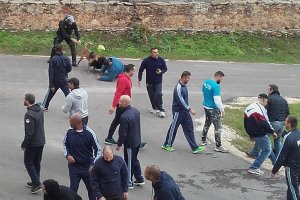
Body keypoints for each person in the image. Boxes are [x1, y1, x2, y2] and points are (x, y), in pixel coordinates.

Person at [104, 64, 147, 149]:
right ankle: (134, 141)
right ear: (130, 70)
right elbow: (118, 92)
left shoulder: (126, 78)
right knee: (130, 121)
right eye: (133, 70)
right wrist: (113, 106)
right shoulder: (123, 79)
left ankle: (109, 138)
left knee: (116, 121)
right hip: (123, 104)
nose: (134, 72)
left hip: (124, 103)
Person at [162, 71, 205, 154]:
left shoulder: (184, 86)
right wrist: (189, 109)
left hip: (184, 112)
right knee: (173, 128)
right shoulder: (178, 87)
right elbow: (180, 100)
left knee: (189, 128)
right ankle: (167, 145)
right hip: (178, 112)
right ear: (184, 77)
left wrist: (187, 110)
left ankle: (195, 147)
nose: (189, 80)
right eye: (188, 78)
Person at [63, 113, 102, 200]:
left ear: (77, 123)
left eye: (71, 122)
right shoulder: (69, 132)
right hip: (74, 167)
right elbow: (65, 145)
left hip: (88, 168)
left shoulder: (90, 133)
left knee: (91, 190)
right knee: (73, 190)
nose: (69, 124)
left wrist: (93, 164)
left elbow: (98, 150)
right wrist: (67, 155)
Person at [116, 95, 145, 189]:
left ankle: (128, 182)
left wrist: (119, 144)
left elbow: (123, 133)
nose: (118, 103)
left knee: (128, 162)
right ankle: (139, 178)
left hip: (130, 143)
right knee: (134, 159)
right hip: (137, 140)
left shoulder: (124, 117)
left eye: (120, 102)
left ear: (124, 103)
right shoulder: (135, 111)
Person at [244, 94, 277, 175]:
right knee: (267, 150)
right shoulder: (260, 109)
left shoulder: (251, 105)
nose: (266, 104)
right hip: (258, 132)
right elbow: (264, 122)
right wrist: (272, 132)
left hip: (251, 130)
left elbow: (245, 119)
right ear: (263, 99)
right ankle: (254, 167)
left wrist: (249, 133)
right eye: (266, 101)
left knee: (267, 146)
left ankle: (276, 164)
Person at [22, 93, 46, 194]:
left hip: (33, 143)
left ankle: (36, 183)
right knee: (36, 162)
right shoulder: (40, 110)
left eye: (24, 99)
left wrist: (24, 144)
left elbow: (29, 132)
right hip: (41, 140)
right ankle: (35, 179)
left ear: (27, 101)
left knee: (28, 162)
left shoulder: (29, 114)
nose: (23, 100)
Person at [272, 116, 300, 200]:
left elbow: (282, 156)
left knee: (293, 188)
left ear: (289, 124)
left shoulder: (288, 137)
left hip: (292, 167)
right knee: (293, 187)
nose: (284, 122)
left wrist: (275, 170)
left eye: (286, 121)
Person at [201, 71, 228, 153]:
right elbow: (217, 100)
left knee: (207, 122)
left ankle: (203, 140)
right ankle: (218, 146)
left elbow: (203, 91)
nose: (221, 81)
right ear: (218, 77)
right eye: (221, 79)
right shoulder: (216, 86)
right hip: (213, 108)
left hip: (206, 106)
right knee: (218, 127)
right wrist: (222, 109)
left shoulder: (206, 82)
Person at [138, 48, 167, 118]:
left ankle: (161, 110)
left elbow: (165, 68)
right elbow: (141, 70)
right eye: (154, 52)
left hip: (158, 81)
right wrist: (139, 79)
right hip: (149, 81)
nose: (157, 53)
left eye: (157, 52)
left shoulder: (161, 60)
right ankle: (155, 108)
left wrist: (161, 72)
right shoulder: (146, 61)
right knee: (152, 96)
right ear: (151, 53)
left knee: (158, 94)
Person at [42, 44, 72, 111]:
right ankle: (73, 108)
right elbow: (69, 69)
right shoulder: (66, 58)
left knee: (49, 95)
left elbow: (51, 73)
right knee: (68, 95)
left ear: (55, 50)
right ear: (62, 49)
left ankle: (45, 106)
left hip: (55, 80)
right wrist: (64, 73)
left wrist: (51, 84)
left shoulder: (53, 59)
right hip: (64, 79)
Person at [267, 84, 290, 156]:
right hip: (282, 123)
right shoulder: (283, 100)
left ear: (271, 90)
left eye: (268, 89)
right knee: (277, 140)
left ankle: (255, 153)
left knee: (263, 137)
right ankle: (279, 157)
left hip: (273, 122)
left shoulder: (269, 98)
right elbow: (287, 113)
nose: (267, 91)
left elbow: (265, 110)